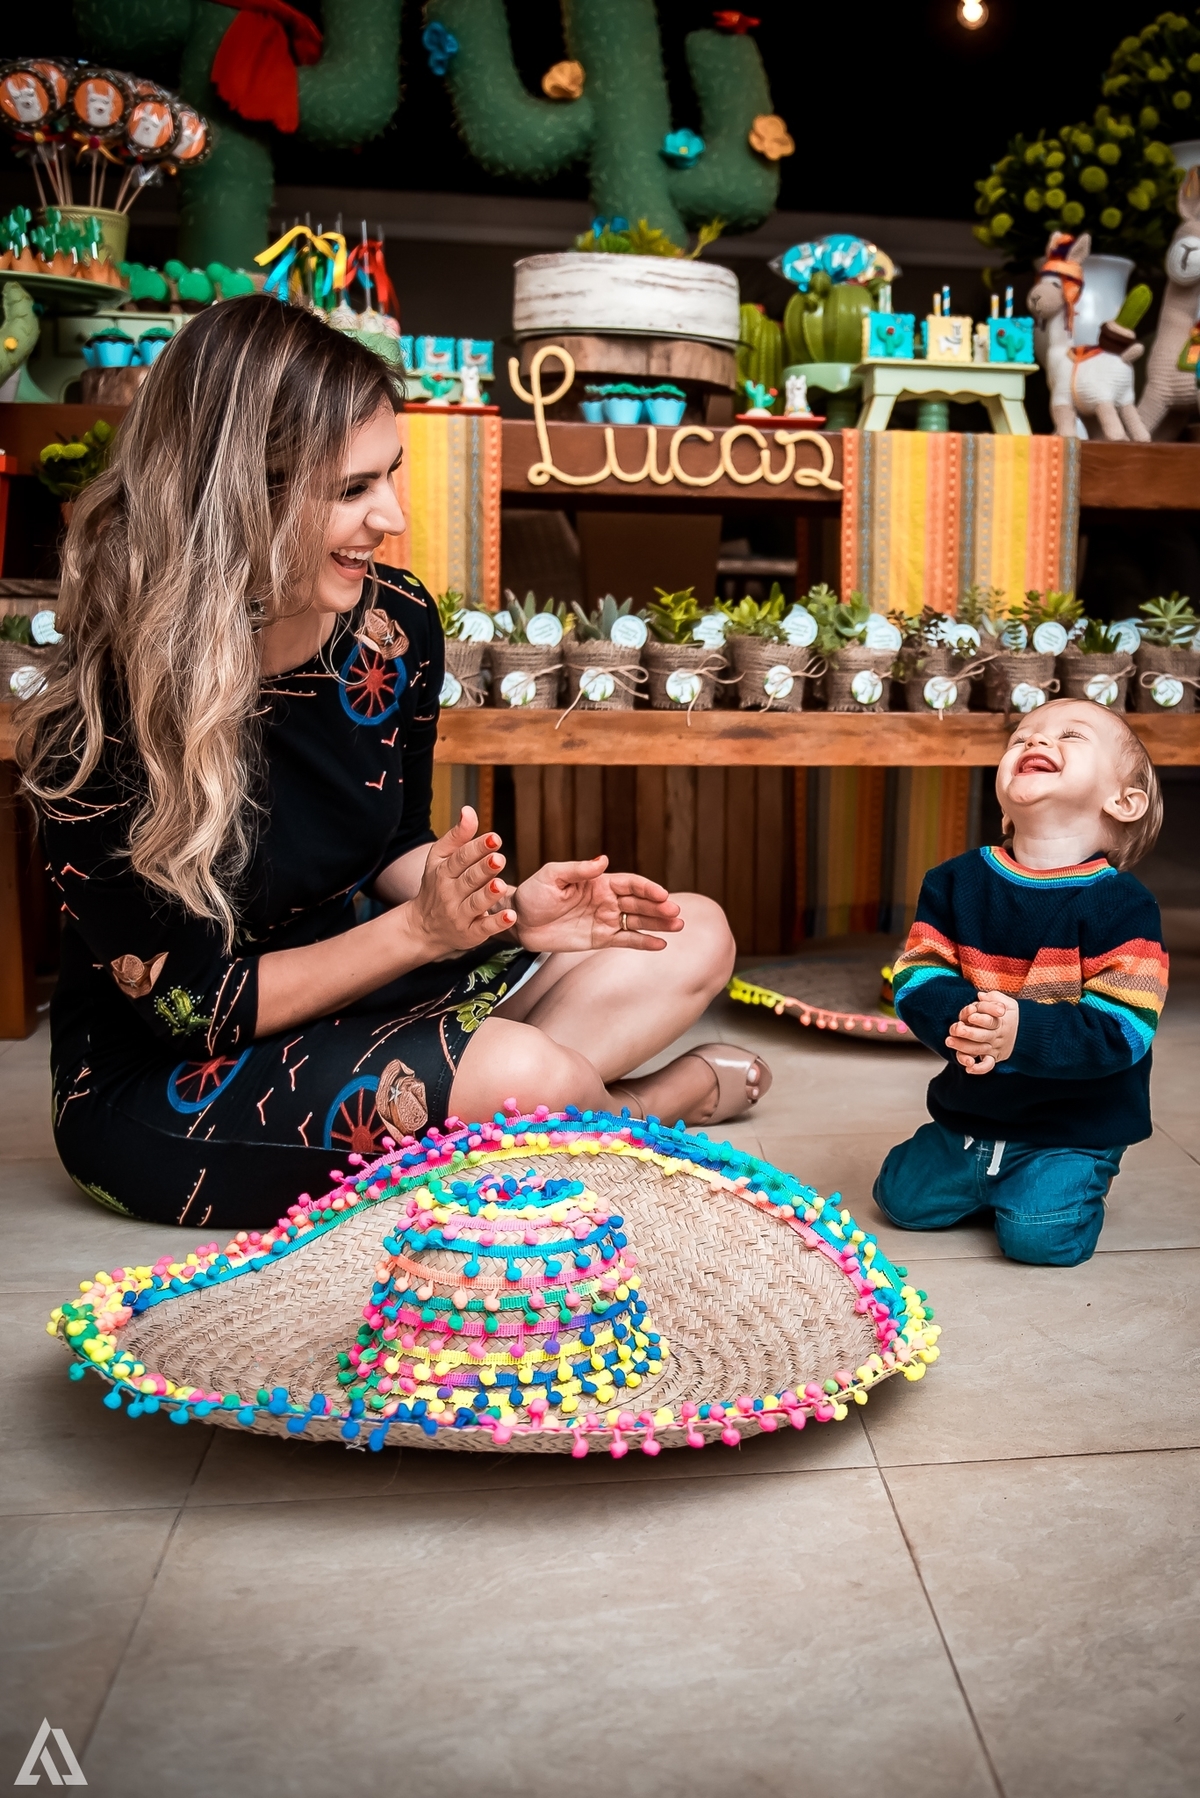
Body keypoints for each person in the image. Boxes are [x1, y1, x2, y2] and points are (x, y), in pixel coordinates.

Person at [18, 296, 769, 1230]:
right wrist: (421, 934)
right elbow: (198, 1013)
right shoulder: (96, 730)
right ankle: (628, 1112)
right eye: (350, 490)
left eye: (391, 476)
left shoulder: (394, 623)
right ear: (237, 496)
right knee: (526, 1074)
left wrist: (509, 912)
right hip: (172, 1076)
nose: (393, 517)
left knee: (692, 934)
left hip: (367, 980)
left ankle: (535, 1112)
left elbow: (389, 841)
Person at [875, 698, 1168, 1267]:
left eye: (1071, 735)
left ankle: (1073, 1171)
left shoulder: (1124, 906)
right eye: (1021, 738)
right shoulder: (954, 882)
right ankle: (988, 1171)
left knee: (1040, 1238)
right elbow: (919, 970)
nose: (1033, 743)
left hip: (1074, 1125)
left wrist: (1020, 1033)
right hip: (972, 1111)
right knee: (900, 1201)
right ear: (1005, 804)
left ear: (1123, 801)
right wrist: (965, 1021)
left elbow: (1124, 1026)